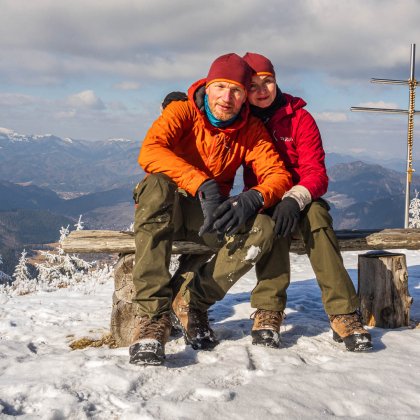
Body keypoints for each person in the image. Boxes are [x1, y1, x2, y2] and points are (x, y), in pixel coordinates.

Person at [163, 53, 373, 352]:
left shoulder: (299, 118)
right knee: (267, 223)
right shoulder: (242, 119)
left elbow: (317, 173)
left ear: (277, 82)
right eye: (253, 85)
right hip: (262, 197)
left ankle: (343, 313)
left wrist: (295, 198)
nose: (261, 90)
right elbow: (210, 115)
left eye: (268, 82)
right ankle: (268, 310)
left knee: (316, 218)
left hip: (302, 197)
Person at [130, 53, 292, 365]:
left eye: (236, 90)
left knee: (263, 226)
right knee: (156, 185)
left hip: (208, 216)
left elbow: (278, 175)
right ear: (208, 85)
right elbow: (151, 150)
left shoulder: (250, 129)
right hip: (168, 207)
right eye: (220, 87)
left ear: (245, 96)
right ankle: (153, 318)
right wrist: (200, 183)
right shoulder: (182, 112)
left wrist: (252, 199)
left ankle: (192, 300)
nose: (226, 98)